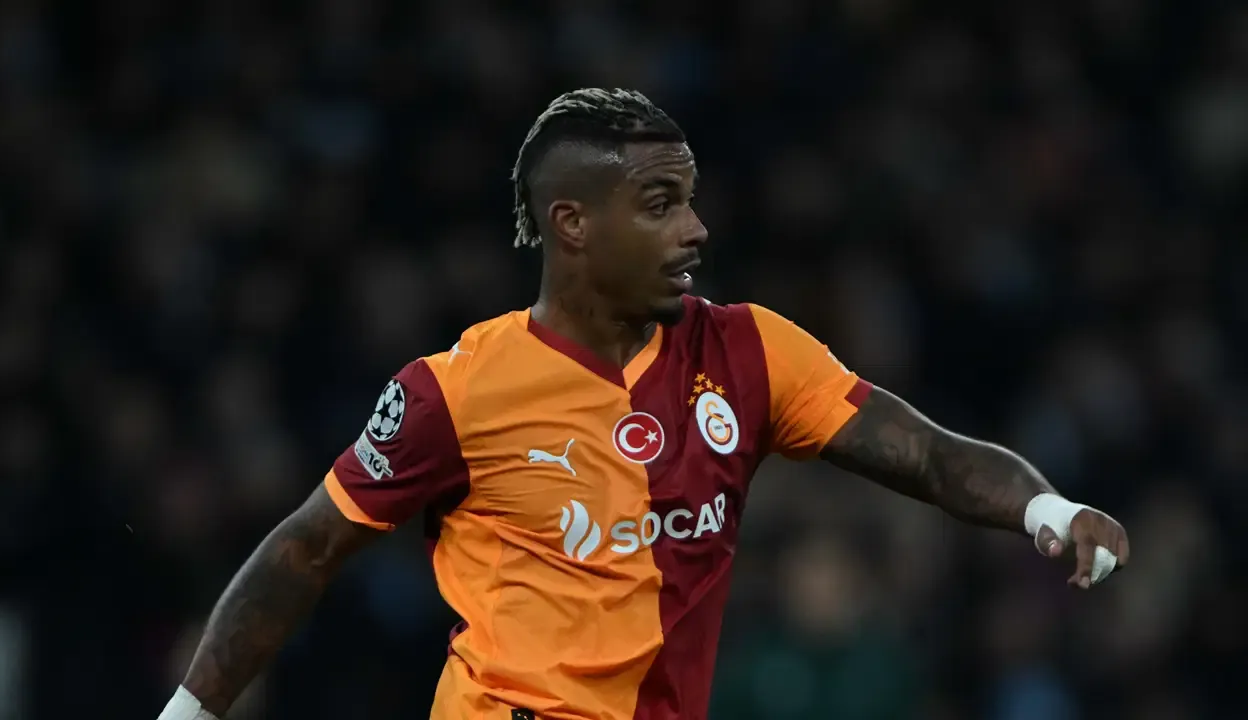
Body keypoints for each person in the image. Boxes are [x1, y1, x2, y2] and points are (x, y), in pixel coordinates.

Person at [158, 88, 1130, 720]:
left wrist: (1047, 508)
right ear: (572, 225)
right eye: (660, 204)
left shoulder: (748, 350)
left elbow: (923, 453)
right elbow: (306, 547)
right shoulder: (457, 389)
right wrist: (191, 712)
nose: (695, 228)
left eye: (690, 199)